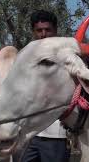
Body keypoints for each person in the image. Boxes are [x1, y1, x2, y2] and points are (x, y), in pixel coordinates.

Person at [18, 10, 70, 162]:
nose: (43, 34)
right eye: (39, 30)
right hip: (29, 132)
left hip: (56, 134)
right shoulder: (25, 57)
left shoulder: (67, 57)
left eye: (48, 30)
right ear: (33, 32)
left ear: (55, 31)